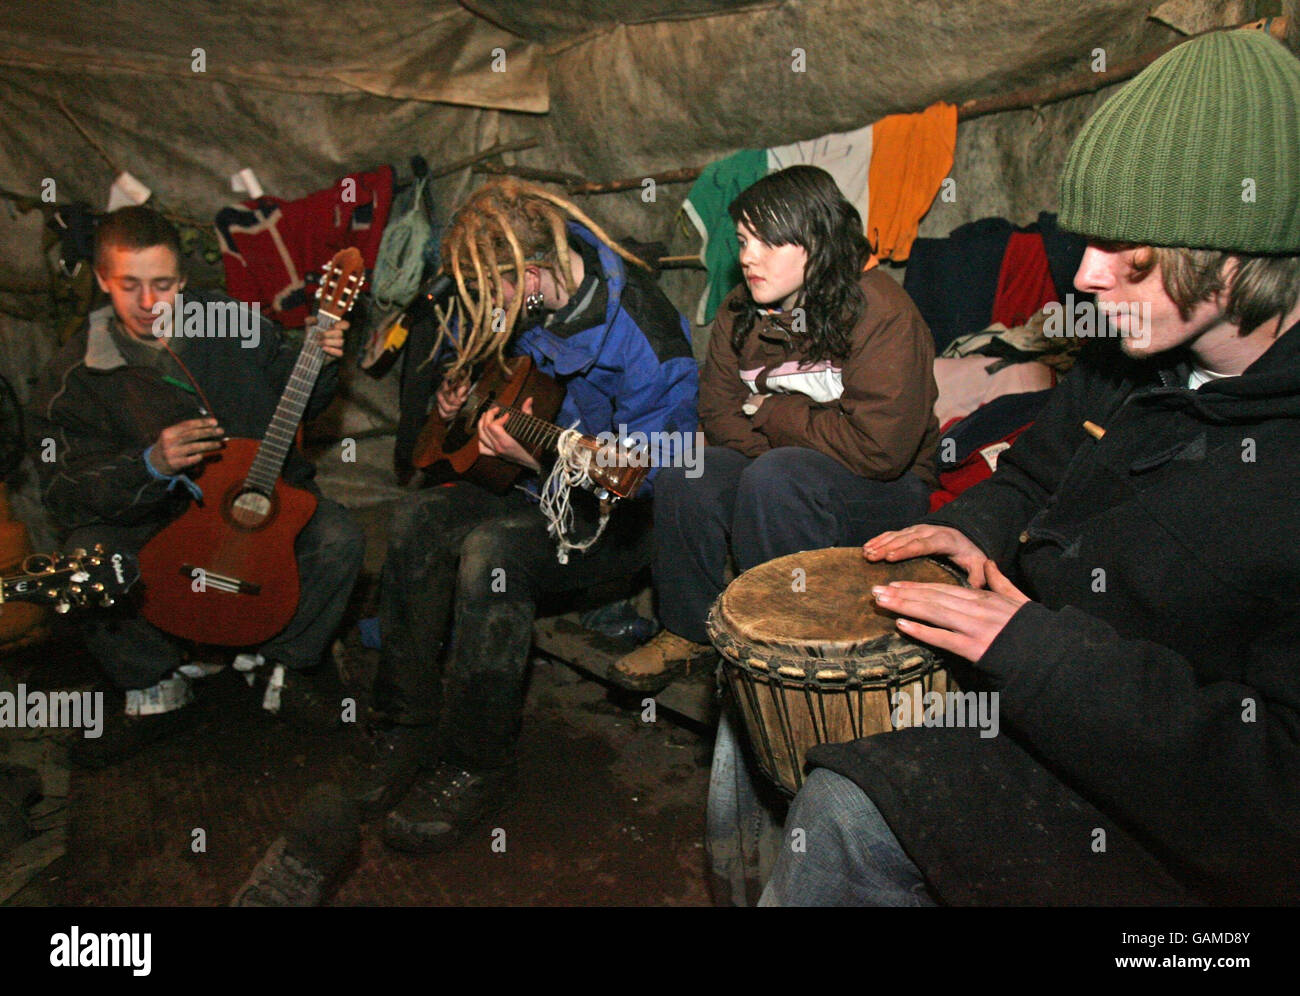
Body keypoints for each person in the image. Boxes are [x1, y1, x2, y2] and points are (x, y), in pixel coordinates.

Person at [761, 29, 1300, 906]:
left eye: (1133, 252)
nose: (1084, 274)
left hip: (1172, 821)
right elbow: (1032, 478)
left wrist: (1039, 654)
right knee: (770, 699)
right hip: (1040, 686)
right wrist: (967, 529)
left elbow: (1275, 799)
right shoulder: (1125, 359)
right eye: (1087, 238)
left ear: (1238, 257)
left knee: (842, 813)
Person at [358, 179, 699, 852]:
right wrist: (453, 406)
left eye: (499, 291)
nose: (489, 308)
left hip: (613, 519)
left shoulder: (646, 336)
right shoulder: (519, 300)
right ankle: (404, 726)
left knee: (492, 555)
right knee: (415, 523)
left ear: (534, 272)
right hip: (520, 486)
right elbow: (477, 373)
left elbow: (657, 475)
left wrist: (546, 462)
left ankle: (475, 765)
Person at [26, 206, 365, 766]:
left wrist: (321, 360)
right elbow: (63, 488)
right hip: (157, 525)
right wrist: (149, 465)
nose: (148, 302)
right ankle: (156, 686)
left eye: (163, 284)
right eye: (128, 285)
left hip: (258, 507)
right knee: (83, 561)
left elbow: (294, 388)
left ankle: (281, 665)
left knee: (339, 537)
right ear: (103, 280)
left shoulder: (228, 320)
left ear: (183, 281)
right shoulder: (75, 374)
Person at [609, 165, 939, 693]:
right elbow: (716, 414)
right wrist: (778, 445)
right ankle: (687, 631)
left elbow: (880, 451)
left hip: (886, 490)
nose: (747, 257)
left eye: (769, 242)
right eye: (742, 240)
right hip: (786, 470)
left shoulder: (882, 314)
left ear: (817, 242)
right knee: (688, 471)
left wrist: (768, 415)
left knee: (779, 478)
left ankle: (784, 649)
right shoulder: (742, 309)